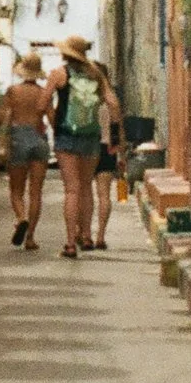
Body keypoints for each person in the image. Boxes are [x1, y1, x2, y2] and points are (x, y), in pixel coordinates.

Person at [49, 35, 110, 258]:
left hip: (66, 136)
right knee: (85, 188)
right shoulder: (97, 75)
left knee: (71, 190)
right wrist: (115, 135)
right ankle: (86, 235)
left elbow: (41, 103)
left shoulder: (59, 74)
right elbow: (112, 103)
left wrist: (52, 120)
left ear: (66, 53)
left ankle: (69, 243)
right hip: (91, 137)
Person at [0, 54, 54, 250]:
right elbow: (52, 119)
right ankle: (30, 238)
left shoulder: (13, 91)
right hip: (39, 139)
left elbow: (1, 115)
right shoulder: (45, 93)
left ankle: (21, 218)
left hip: (19, 138)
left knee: (16, 191)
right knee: (36, 192)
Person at [91, 79, 126, 251]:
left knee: (83, 193)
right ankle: (100, 236)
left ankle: (82, 234)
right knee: (104, 195)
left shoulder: (87, 101)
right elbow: (118, 132)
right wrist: (121, 155)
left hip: (87, 148)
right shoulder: (112, 103)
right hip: (108, 149)